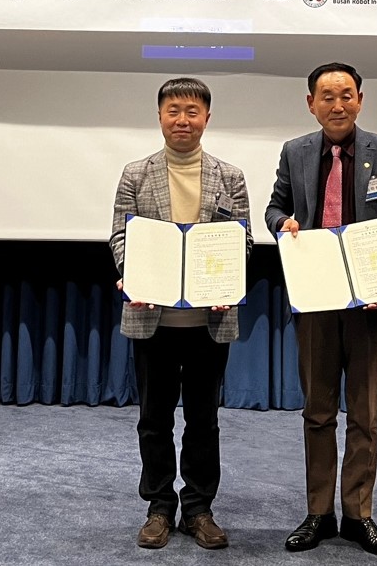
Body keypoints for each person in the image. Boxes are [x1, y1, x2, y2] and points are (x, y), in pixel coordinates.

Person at [265, 62, 377, 558]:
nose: (337, 104)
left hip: (370, 304)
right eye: (327, 96)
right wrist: (282, 223)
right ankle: (318, 513)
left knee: (364, 416)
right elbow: (275, 207)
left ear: (360, 100)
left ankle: (358, 515)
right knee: (318, 412)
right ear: (311, 104)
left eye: (346, 95)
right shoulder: (296, 151)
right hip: (316, 299)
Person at [109, 77, 252, 550]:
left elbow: (242, 241)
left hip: (209, 322)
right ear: (159, 116)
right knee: (153, 420)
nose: (183, 120)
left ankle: (198, 508)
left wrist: (228, 281)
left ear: (207, 117)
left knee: (203, 420)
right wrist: (132, 275)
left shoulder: (230, 176)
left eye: (192, 111)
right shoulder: (136, 173)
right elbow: (121, 237)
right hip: (154, 320)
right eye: (173, 110)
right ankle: (158, 507)